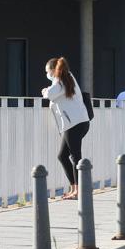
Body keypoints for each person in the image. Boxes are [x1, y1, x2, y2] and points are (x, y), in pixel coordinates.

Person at [42, 57, 90, 200]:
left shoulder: (60, 81)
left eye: (47, 72)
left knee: (76, 156)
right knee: (63, 156)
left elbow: (50, 94)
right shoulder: (67, 78)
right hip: (76, 122)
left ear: (52, 70)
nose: (46, 75)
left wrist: (44, 90)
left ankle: (79, 191)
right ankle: (74, 188)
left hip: (74, 124)